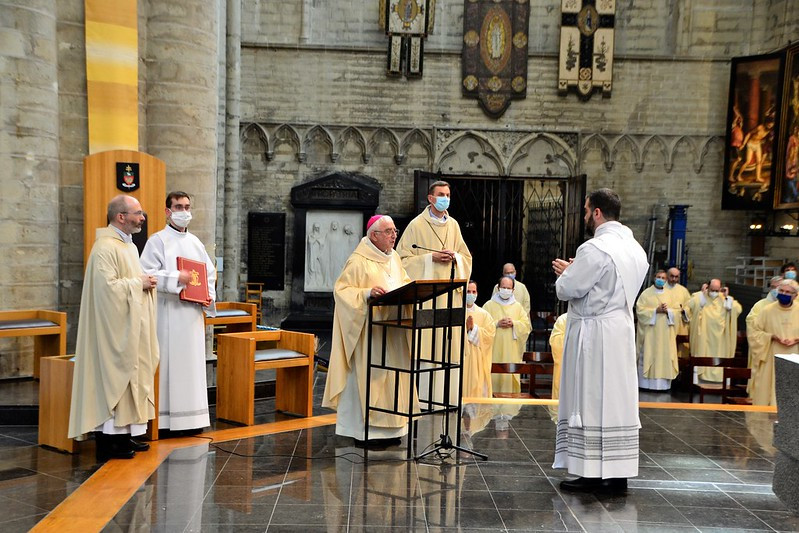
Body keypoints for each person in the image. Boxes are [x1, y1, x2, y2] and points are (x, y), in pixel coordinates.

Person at [551, 188, 648, 494]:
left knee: (591, 398)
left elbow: (567, 289)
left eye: (585, 210)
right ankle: (617, 475)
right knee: (616, 401)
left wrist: (567, 273)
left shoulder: (595, 248)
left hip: (594, 334)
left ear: (596, 212)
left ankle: (591, 472)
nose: (584, 216)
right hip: (620, 330)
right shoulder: (635, 249)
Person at [68, 195, 159, 461]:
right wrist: (139, 283)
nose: (142, 218)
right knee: (114, 378)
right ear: (121, 217)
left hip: (131, 325)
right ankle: (108, 441)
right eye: (138, 213)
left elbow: (128, 281)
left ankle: (124, 434)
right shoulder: (104, 248)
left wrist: (144, 282)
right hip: (113, 330)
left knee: (133, 377)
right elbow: (106, 290)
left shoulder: (128, 246)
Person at [322, 215, 418, 442]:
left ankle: (394, 430)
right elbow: (342, 291)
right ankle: (366, 433)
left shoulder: (394, 258)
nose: (394, 236)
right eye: (388, 231)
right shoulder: (358, 260)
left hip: (394, 330)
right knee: (371, 378)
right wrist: (366, 293)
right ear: (374, 235)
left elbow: (405, 283)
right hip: (370, 333)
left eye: (395, 231)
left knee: (394, 378)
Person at [140, 191, 216, 436]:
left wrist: (208, 295)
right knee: (169, 365)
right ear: (168, 211)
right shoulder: (157, 241)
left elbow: (209, 274)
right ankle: (165, 422)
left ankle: (192, 420)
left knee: (192, 366)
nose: (184, 211)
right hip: (168, 313)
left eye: (187, 207)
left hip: (191, 315)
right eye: (178, 207)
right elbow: (146, 274)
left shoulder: (196, 243)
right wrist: (175, 278)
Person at [396, 180, 472, 404]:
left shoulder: (454, 225)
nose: (445, 199)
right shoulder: (416, 225)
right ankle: (425, 400)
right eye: (441, 194)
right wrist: (431, 258)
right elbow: (402, 260)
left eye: (447, 195)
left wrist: (455, 258)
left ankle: (448, 400)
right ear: (430, 198)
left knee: (448, 349)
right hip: (427, 298)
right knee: (427, 347)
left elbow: (466, 257)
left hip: (450, 297)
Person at [747, 279, 799, 406]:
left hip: (795, 355)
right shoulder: (767, 310)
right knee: (769, 391)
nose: (784, 294)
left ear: (795, 295)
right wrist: (772, 337)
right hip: (771, 355)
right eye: (781, 291)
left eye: (788, 292)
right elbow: (754, 332)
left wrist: (796, 339)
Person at [483, 276, 531, 395]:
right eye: (503, 287)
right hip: (494, 351)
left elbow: (526, 326)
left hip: (511, 351)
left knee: (509, 382)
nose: (506, 290)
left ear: (513, 290)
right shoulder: (488, 306)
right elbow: (482, 327)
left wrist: (514, 324)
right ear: (498, 288)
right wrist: (496, 324)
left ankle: (509, 406)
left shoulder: (518, 307)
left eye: (508, 288)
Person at [687, 279, 742, 382]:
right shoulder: (700, 296)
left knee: (720, 358)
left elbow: (738, 309)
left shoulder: (724, 298)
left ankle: (720, 379)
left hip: (721, 337)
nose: (714, 293)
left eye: (717, 290)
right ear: (707, 287)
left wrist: (727, 297)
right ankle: (700, 379)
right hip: (704, 334)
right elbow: (690, 306)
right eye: (712, 290)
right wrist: (702, 294)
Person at [635, 270, 679, 391]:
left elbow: (677, 311)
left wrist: (668, 311)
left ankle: (662, 386)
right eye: (658, 277)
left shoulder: (671, 295)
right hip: (650, 334)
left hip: (665, 334)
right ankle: (645, 384)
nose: (660, 279)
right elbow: (640, 310)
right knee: (649, 354)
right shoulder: (646, 294)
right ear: (654, 278)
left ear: (666, 280)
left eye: (663, 278)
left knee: (664, 357)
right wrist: (655, 311)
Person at [462, 281, 496, 398]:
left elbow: (489, 336)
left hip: (478, 361)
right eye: (468, 291)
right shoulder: (456, 312)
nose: (471, 294)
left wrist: (474, 328)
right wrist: (465, 329)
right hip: (461, 359)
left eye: (473, 291)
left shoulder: (484, 314)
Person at [491, 263, 532, 353]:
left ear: (515, 272)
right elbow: (493, 307)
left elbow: (526, 308)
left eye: (512, 272)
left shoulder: (522, 288)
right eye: (507, 273)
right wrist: (500, 321)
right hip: (500, 329)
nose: (510, 274)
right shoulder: (497, 288)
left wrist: (515, 323)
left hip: (516, 330)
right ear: (503, 273)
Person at [746, 276, 782, 369]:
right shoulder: (760, 305)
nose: (776, 290)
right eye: (773, 287)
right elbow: (751, 323)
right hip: (766, 348)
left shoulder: (793, 306)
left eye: (779, 287)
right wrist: (768, 334)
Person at [547, 312, 568, 422]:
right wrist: (573, 338)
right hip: (566, 365)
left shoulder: (593, 319)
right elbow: (555, 340)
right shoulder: (563, 319)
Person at [665, 267, 691, 342]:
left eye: (676, 277)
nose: (674, 279)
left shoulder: (683, 290)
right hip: (665, 323)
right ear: (667, 276)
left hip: (679, 324)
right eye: (672, 276)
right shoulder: (661, 289)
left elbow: (688, 305)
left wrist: (684, 311)